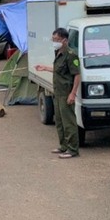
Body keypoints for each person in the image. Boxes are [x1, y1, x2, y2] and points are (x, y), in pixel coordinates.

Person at [34, 27, 81, 158]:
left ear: (64, 40)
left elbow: (77, 75)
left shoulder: (71, 55)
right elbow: (59, 70)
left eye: (56, 39)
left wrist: (73, 93)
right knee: (59, 122)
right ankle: (64, 146)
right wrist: (45, 68)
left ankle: (72, 149)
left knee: (69, 122)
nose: (54, 42)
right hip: (58, 92)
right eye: (53, 39)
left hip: (66, 92)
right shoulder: (58, 53)